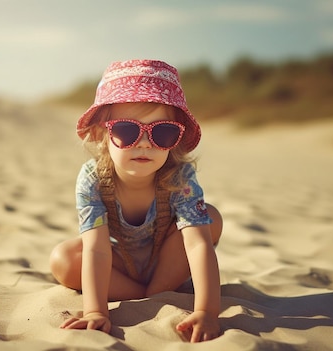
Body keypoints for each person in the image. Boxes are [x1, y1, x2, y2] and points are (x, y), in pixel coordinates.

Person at [49, 59, 223, 343]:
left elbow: (196, 243)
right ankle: (146, 295)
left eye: (162, 132)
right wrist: (96, 311)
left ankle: (157, 290)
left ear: (176, 138)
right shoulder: (93, 178)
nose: (144, 143)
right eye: (127, 130)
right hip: (117, 265)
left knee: (210, 219)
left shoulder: (180, 176)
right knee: (63, 259)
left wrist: (207, 310)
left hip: (168, 262)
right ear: (100, 133)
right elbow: (97, 250)